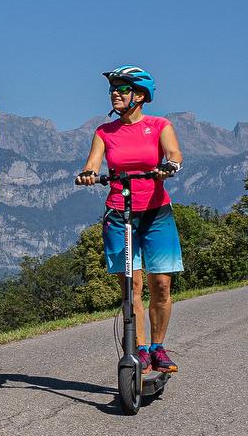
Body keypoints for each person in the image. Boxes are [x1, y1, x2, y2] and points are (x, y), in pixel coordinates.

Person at [76, 65, 183, 374]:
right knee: (131, 285)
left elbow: (174, 155)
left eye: (122, 88)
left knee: (161, 284)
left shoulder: (159, 125)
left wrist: (169, 167)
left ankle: (157, 347)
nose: (115, 93)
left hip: (156, 212)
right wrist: (88, 175)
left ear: (140, 95)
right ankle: (137, 351)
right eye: (113, 89)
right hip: (119, 214)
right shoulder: (104, 131)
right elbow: (93, 164)